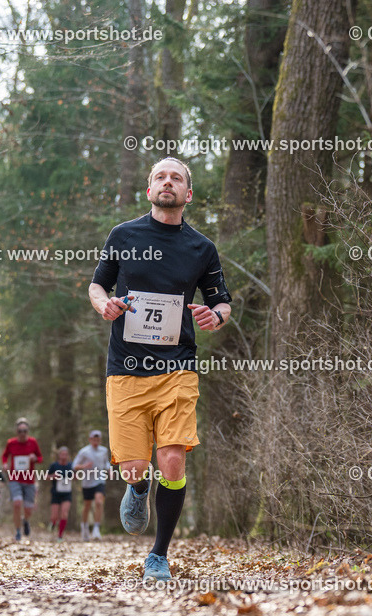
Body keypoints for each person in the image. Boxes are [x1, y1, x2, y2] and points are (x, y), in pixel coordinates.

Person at [88, 157, 232, 581]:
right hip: (127, 367)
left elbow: (221, 299)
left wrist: (216, 316)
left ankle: (159, 555)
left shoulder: (202, 248)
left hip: (177, 367)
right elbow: (98, 284)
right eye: (159, 177)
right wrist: (104, 304)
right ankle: (137, 486)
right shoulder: (124, 235)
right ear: (149, 190)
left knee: (171, 458)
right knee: (135, 465)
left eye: (177, 178)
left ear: (188, 194)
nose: (167, 182)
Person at [1, 418, 42, 541]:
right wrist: (4, 464)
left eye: (25, 430)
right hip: (14, 478)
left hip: (29, 479)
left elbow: (40, 458)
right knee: (17, 503)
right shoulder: (11, 443)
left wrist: (35, 458)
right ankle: (18, 531)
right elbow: (4, 455)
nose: (22, 433)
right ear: (17, 431)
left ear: (28, 431)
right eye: (20, 431)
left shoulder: (33, 442)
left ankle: (26, 520)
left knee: (28, 508)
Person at [72, 429, 110, 540]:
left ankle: (96, 529)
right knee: (87, 505)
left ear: (100, 440)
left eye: (98, 439)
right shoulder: (84, 451)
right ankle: (84, 528)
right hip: (87, 481)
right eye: (94, 439)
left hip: (100, 479)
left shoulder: (104, 450)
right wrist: (84, 467)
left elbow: (106, 463)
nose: (96, 441)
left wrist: (109, 470)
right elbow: (74, 465)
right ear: (90, 439)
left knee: (99, 502)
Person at [47, 447, 74, 541]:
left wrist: (74, 477)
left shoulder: (71, 465)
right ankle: (53, 523)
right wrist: (53, 476)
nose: (64, 456)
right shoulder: (54, 465)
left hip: (67, 493)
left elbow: (77, 476)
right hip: (56, 493)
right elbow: (46, 477)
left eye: (66, 454)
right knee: (54, 516)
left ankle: (60, 535)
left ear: (68, 455)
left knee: (64, 513)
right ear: (59, 455)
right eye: (62, 454)